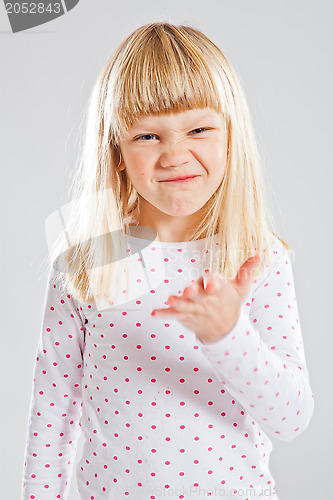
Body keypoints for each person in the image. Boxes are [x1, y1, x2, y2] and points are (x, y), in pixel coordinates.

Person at [21, 22, 314, 500]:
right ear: (116, 150)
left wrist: (228, 336)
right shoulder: (88, 259)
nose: (175, 155)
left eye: (199, 129)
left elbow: (291, 418)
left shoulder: (256, 258)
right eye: (148, 136)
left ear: (229, 137)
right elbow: (53, 408)